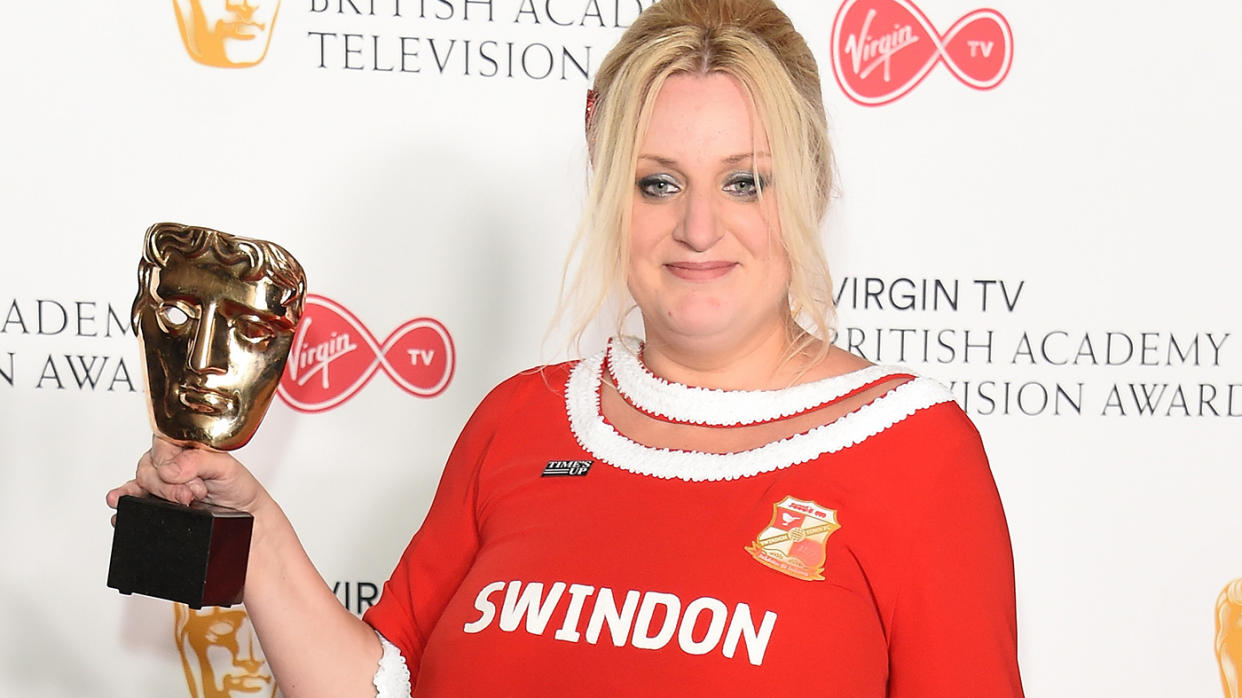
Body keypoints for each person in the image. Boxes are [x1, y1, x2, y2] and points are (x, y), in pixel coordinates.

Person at [109, 0, 1024, 695]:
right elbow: (382, 683)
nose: (699, 228)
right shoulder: (525, 417)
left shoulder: (915, 451)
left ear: (811, 189)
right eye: (657, 182)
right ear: (608, 193)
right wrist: (254, 534)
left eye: (745, 182)